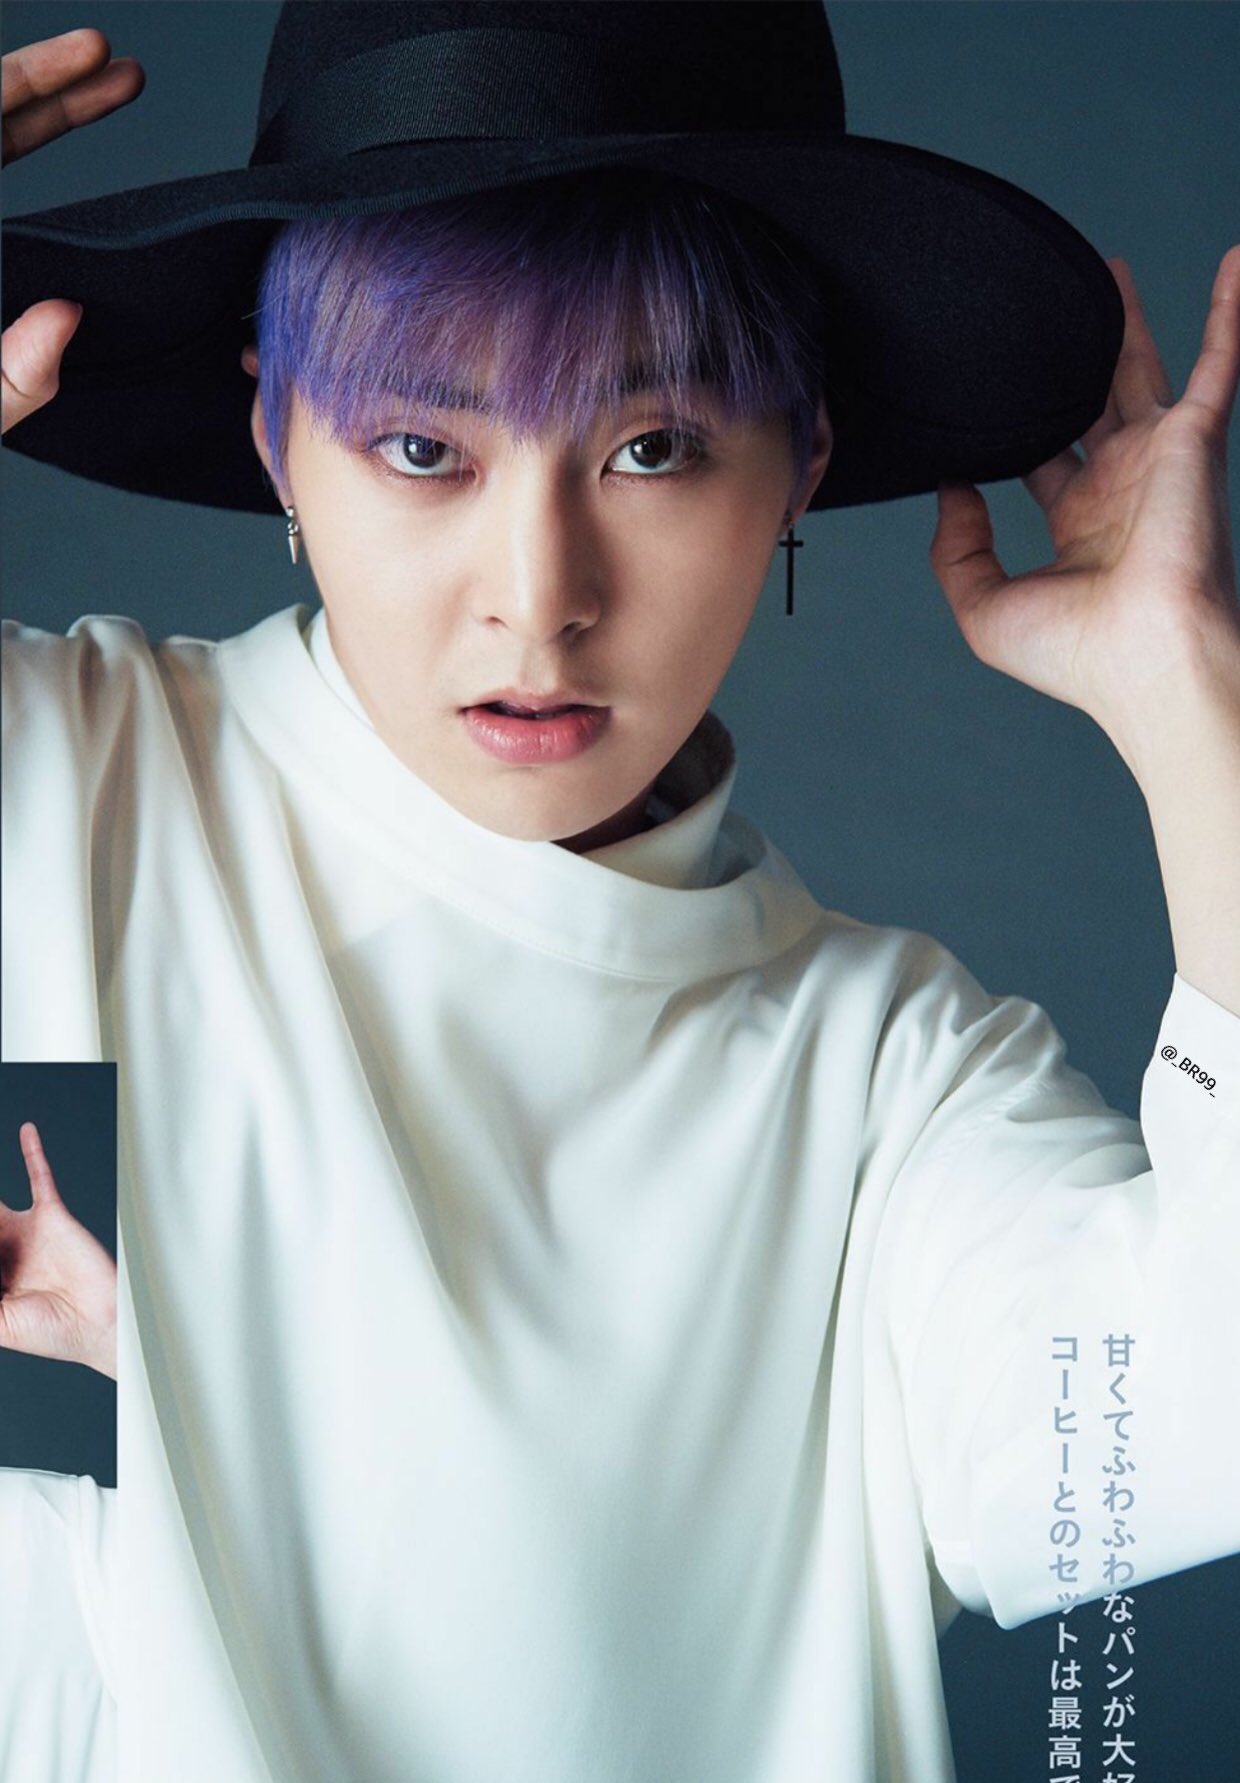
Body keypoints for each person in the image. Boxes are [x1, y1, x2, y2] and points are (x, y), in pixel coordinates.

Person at [2, 6, 1238, 1781]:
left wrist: (1193, 708)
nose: (538, 594)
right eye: (422, 449)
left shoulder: (884, 1089)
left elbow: (1197, 1410)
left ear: (804, 462)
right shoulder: (57, 781)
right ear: (275, 435)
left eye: (653, 448)